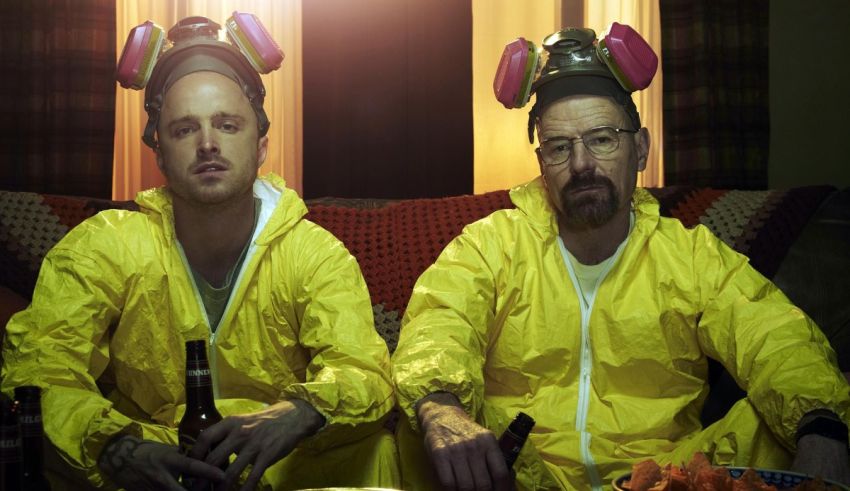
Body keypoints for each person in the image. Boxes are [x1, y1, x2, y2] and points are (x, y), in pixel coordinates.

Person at [391, 23, 850, 490]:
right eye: (559, 147)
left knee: (791, 427)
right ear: (542, 166)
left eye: (603, 138)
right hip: (520, 477)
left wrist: (823, 429)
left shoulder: (689, 255)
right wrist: (442, 409)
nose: (582, 164)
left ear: (641, 149)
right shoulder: (490, 244)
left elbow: (773, 336)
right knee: (418, 427)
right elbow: (440, 324)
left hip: (662, 479)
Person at [1, 14, 398, 491]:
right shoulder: (105, 245)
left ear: (261, 145)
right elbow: (41, 369)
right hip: (152, 461)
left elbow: (362, 369)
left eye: (227, 125)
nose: (208, 144)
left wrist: (302, 411)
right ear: (160, 154)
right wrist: (116, 448)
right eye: (185, 129)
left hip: (277, 460)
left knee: (380, 449)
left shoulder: (312, 252)